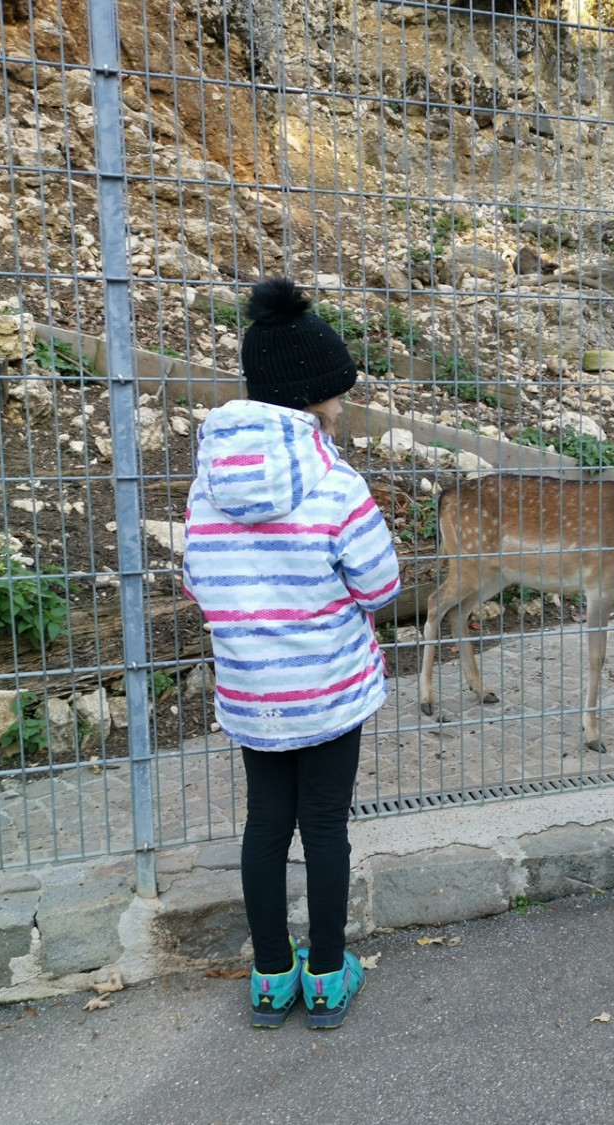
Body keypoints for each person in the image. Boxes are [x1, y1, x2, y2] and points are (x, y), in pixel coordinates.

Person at [182, 276, 402, 1030]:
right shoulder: (335, 480)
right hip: (330, 686)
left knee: (265, 825)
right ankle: (329, 975)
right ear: (314, 394)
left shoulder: (208, 483)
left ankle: (272, 977)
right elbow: (381, 583)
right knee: (326, 825)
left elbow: (196, 578)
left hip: (251, 688)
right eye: (338, 392)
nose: (342, 404)